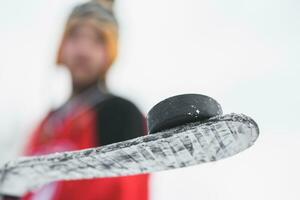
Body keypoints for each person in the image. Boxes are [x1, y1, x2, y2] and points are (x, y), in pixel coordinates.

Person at [17, 0, 149, 199]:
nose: (83, 51)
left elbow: (128, 190)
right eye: (76, 37)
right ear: (62, 46)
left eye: (97, 40)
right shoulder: (45, 125)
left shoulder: (119, 113)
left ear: (109, 53)